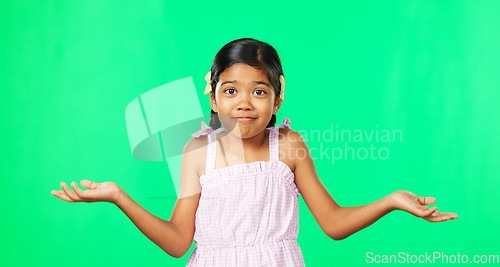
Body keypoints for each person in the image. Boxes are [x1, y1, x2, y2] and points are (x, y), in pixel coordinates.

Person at [51, 38, 458, 266]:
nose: (244, 103)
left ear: (277, 98)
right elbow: (178, 242)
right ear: (211, 93)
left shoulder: (290, 147)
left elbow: (332, 224)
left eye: (259, 91)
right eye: (231, 91)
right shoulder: (197, 152)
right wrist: (119, 197)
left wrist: (391, 201)